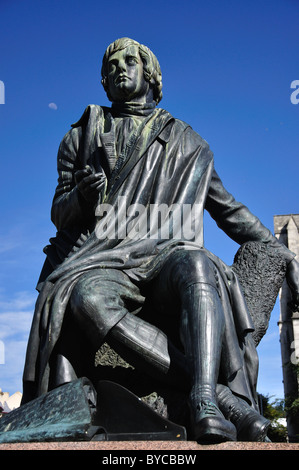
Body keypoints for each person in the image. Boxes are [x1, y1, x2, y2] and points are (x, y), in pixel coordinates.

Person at [22, 38, 299, 443]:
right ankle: (222, 395)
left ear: (150, 73)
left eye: (129, 61)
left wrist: (284, 253)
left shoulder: (188, 143)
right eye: (111, 65)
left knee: (199, 263)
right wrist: (81, 198)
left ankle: (205, 399)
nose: (119, 68)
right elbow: (58, 211)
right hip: (104, 260)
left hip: (166, 255)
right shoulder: (80, 137)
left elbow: (229, 210)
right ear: (103, 80)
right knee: (86, 298)